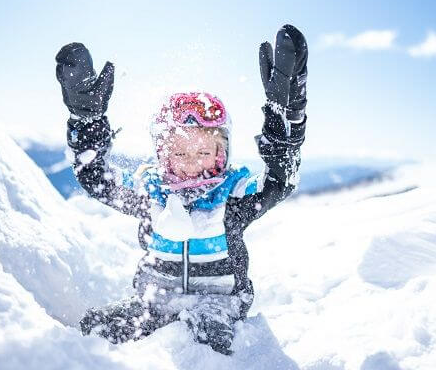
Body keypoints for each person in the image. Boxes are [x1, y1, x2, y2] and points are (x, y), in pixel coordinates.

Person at [55, 24, 308, 355]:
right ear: (162, 154)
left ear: (223, 153)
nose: (192, 165)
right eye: (180, 153)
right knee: (94, 330)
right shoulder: (151, 192)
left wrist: (286, 119)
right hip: (154, 302)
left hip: (217, 305)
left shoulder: (233, 197)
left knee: (206, 348)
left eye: (204, 152)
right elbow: (95, 177)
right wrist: (86, 120)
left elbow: (280, 181)